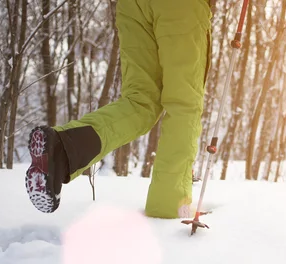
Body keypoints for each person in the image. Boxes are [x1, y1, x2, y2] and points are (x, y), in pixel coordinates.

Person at [25, 0, 212, 218]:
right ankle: (167, 211)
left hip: (132, 6)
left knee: (140, 102)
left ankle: (63, 148)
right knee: (183, 105)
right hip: (180, 7)